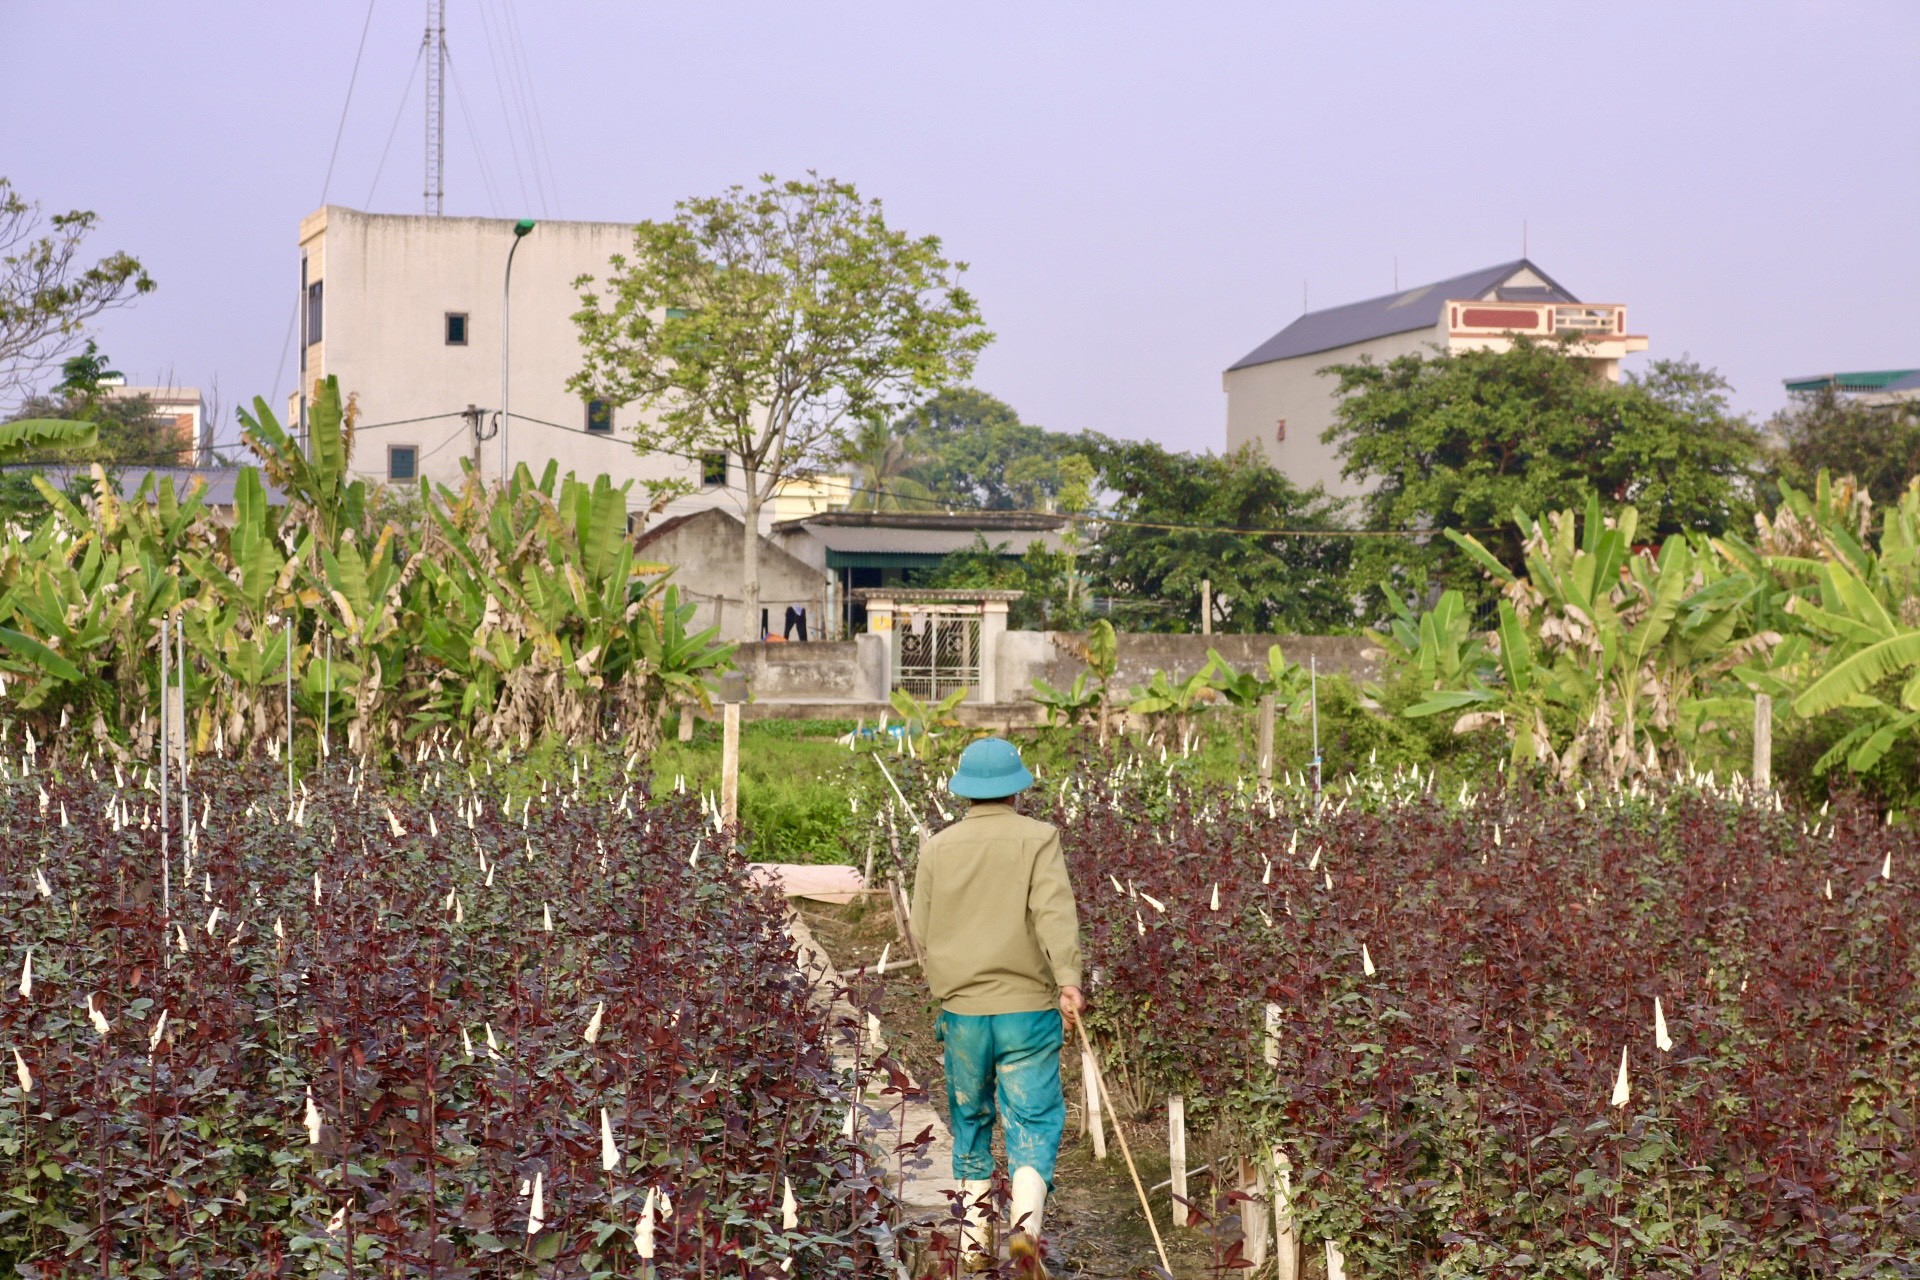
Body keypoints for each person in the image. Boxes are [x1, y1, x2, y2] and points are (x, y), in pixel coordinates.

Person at [910, 736, 1084, 1274]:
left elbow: (921, 928)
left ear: (965, 792)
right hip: (1027, 1010)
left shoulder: (938, 848)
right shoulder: (1039, 839)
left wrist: (947, 983)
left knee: (970, 1116)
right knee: (1032, 1118)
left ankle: (971, 1244)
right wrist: (1068, 981)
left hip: (963, 1012)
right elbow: (1054, 916)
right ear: (1016, 791)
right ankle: (1024, 1234)